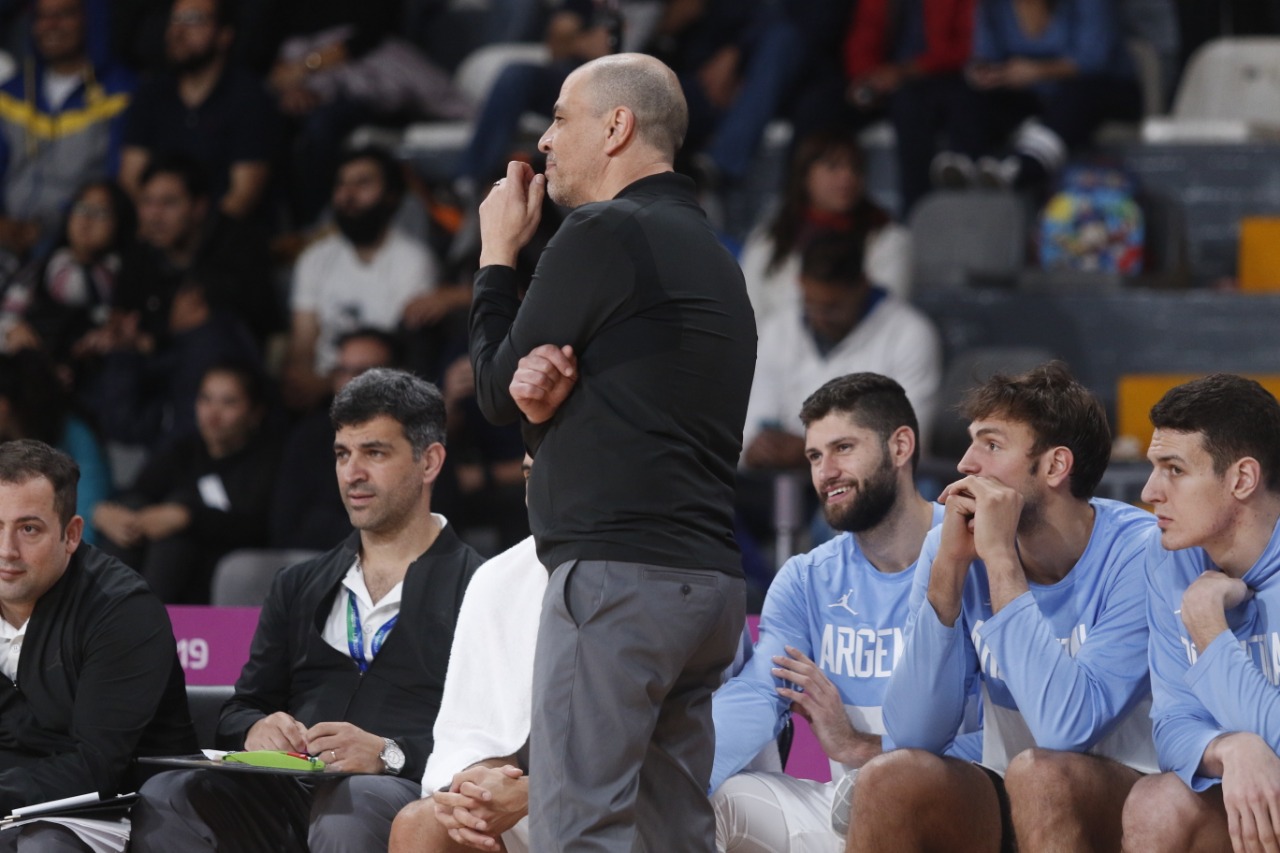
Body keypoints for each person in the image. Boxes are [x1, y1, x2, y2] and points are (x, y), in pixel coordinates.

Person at [469, 52, 756, 851]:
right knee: (671, 834)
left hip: (618, 582)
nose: (545, 140)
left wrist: (498, 254)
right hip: (706, 587)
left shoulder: (605, 229)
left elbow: (491, 390)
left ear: (618, 125)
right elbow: (597, 409)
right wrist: (543, 403)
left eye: (561, 118)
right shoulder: (713, 254)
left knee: (578, 830)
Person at [130, 368, 484, 853]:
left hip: (401, 793)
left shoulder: (481, 587)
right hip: (288, 791)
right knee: (169, 795)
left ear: (430, 462)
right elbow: (240, 707)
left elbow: (493, 738)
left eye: (374, 453)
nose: (352, 473)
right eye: (343, 454)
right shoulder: (297, 584)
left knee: (348, 808)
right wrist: (255, 729)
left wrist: (388, 754)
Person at [848, 361, 1157, 853]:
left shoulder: (1141, 554)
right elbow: (912, 735)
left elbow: (1067, 728)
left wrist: (1000, 564)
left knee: (1041, 774)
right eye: (971, 443)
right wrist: (946, 575)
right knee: (890, 778)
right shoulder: (953, 549)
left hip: (1133, 796)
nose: (967, 464)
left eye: (991, 445)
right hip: (1011, 787)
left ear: (1055, 466)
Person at [710, 373, 945, 852]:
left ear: (900, 446)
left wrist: (860, 747)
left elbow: (999, 735)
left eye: (843, 448)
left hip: (956, 808)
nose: (825, 472)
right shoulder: (806, 578)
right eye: (815, 456)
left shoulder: (974, 556)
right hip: (843, 805)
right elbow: (758, 696)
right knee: (721, 799)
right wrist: (653, 772)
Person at [0, 439, 196, 851]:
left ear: (70, 535)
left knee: (43, 845)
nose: (7, 551)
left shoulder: (122, 610)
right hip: (18, 802)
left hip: (130, 812)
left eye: (28, 529)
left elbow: (95, 767)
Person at [1120, 374, 1280, 852]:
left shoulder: (1195, 591)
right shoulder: (1168, 555)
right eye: (1154, 467)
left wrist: (1209, 627)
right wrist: (1229, 748)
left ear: (1242, 479)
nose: (1150, 491)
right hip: (1252, 788)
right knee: (1157, 803)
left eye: (1174, 469)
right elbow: (1172, 727)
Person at [387, 454, 542, 853]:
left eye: (555, 471)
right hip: (521, 789)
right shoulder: (500, 577)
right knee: (421, 824)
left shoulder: (648, 574)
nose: (537, 491)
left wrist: (536, 791)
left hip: (617, 791)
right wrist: (480, 785)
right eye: (528, 473)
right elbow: (474, 728)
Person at [741, 230, 941, 472]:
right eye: (812, 304)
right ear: (800, 283)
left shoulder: (910, 334)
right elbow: (751, 417)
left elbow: (907, 443)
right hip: (773, 485)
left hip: (867, 495)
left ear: (862, 286)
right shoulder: (778, 328)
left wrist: (814, 451)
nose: (821, 317)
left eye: (833, 308)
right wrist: (755, 446)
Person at [92, 359, 280, 603]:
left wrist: (188, 517)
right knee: (132, 508)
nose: (213, 413)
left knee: (178, 515)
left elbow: (259, 527)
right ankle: (105, 620)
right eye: (205, 399)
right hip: (165, 567)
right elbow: (139, 493)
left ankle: (147, 622)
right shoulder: (182, 450)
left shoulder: (269, 459)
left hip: (220, 566)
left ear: (255, 413)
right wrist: (107, 513)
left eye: (229, 402)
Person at [283, 145, 445, 412]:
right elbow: (303, 342)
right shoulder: (315, 258)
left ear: (391, 196)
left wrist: (327, 383)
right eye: (342, 184)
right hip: (319, 395)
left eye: (363, 184)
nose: (348, 195)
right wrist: (303, 381)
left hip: (383, 397)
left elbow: (394, 354)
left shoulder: (413, 260)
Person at [119, 0, 282, 221]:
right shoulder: (151, 93)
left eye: (194, 20)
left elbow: (244, 196)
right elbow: (130, 180)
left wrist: (196, 238)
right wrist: (156, 222)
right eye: (175, 19)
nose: (178, 30)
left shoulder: (250, 98)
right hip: (155, 234)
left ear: (224, 35)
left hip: (224, 239)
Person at [0, 0, 133, 261]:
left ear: (89, 19)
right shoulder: (10, 93)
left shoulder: (121, 93)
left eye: (64, 15)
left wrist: (56, 227)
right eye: (43, 16)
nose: (51, 25)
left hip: (79, 247)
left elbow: (118, 185)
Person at [738, 130, 911, 326]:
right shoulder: (770, 238)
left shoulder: (887, 238)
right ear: (804, 175)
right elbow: (747, 311)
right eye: (833, 166)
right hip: (772, 353)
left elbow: (887, 314)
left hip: (865, 352)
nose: (847, 176)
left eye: (855, 168)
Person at [270, 326, 400, 550]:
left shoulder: (420, 436)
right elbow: (284, 528)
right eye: (343, 371)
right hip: (320, 566)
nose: (351, 382)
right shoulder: (309, 436)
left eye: (364, 372)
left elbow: (431, 528)